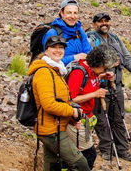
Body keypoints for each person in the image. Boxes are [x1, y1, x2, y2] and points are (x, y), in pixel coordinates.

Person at [86, 12, 131, 161]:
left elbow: (126, 57)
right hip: (100, 86)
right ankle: (106, 150)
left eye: (106, 21)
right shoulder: (90, 39)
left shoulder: (115, 38)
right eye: (100, 22)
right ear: (94, 24)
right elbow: (91, 60)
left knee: (119, 119)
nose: (104, 24)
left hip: (116, 86)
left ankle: (122, 150)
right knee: (102, 120)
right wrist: (109, 63)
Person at [29, 35, 90, 171]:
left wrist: (70, 119)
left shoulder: (57, 70)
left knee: (52, 166)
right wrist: (73, 112)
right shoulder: (45, 73)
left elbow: (61, 100)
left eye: (61, 48)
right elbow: (49, 104)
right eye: (54, 47)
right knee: (81, 164)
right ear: (46, 51)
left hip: (54, 126)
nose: (58, 50)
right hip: (51, 130)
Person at [65, 45, 117, 169]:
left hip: (85, 117)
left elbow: (89, 81)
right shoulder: (79, 72)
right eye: (103, 68)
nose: (104, 70)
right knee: (89, 154)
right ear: (97, 63)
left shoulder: (91, 71)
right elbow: (71, 99)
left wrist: (102, 77)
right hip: (74, 120)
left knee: (85, 153)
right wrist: (95, 94)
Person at [42, 0, 92, 65]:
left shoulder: (79, 31)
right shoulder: (53, 33)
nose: (72, 16)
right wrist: (74, 58)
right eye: (69, 13)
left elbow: (89, 51)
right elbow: (49, 60)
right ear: (62, 14)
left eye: (75, 13)